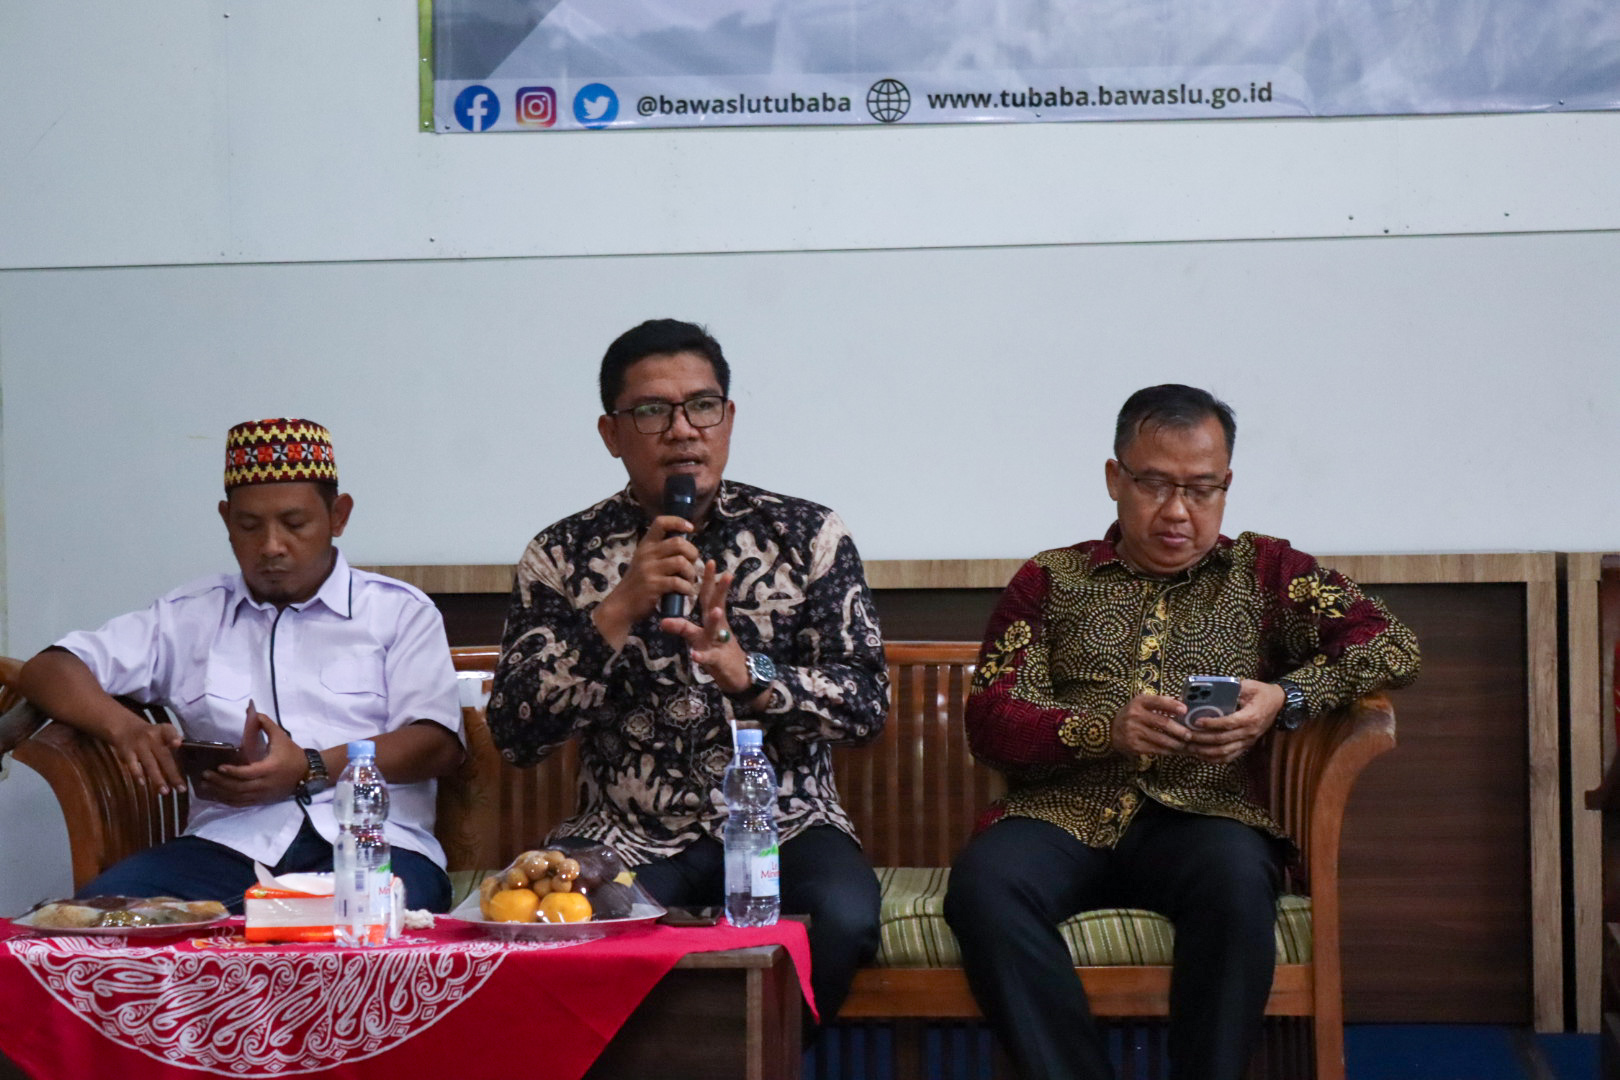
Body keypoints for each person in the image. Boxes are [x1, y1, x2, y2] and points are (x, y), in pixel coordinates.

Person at [944, 385, 1421, 1080]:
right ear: (1115, 478)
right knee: (985, 886)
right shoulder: (1052, 579)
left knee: (1236, 883)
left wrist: (1283, 697)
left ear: (1226, 485)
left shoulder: (1265, 574)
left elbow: (1392, 645)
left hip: (1205, 815)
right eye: (1155, 485)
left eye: (1201, 489)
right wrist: (1103, 730)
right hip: (1060, 814)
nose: (1176, 511)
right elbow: (989, 720)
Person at [488, 318, 887, 1025]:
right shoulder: (560, 555)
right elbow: (517, 734)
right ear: (612, 433)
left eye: (701, 406)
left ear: (727, 419)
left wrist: (751, 672)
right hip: (625, 831)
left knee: (843, 915)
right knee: (562, 929)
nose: (681, 430)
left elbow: (865, 703)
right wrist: (616, 611)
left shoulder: (806, 535)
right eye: (652, 411)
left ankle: (767, 1066)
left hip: (784, 822)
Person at [16, 418, 464, 912]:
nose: (271, 545)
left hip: (372, 843)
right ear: (227, 520)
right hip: (228, 845)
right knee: (97, 916)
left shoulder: (398, 611)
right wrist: (125, 729)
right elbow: (48, 670)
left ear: (338, 516)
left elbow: (436, 743)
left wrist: (309, 768)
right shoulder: (189, 616)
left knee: (369, 917)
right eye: (250, 526)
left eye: (294, 524)